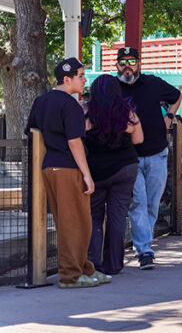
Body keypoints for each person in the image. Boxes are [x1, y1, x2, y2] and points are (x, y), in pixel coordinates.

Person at [25, 57, 110, 288]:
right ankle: (71, 275)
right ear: (67, 79)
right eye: (81, 76)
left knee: (73, 221)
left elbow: (32, 132)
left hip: (49, 166)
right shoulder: (70, 105)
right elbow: (75, 142)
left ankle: (84, 269)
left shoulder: (40, 101)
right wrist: (87, 175)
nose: (85, 80)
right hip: (68, 167)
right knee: (76, 222)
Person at [116, 46, 182, 270]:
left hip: (157, 153)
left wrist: (170, 117)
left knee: (152, 204)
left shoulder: (153, 83)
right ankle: (144, 250)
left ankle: (144, 243)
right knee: (139, 203)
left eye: (132, 61)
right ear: (117, 65)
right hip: (129, 156)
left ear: (138, 64)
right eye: (123, 62)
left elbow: (176, 95)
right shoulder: (113, 88)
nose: (127, 66)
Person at [85, 74, 143, 276]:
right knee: (117, 216)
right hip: (125, 168)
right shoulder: (128, 112)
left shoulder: (86, 111)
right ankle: (114, 264)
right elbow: (138, 139)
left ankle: (94, 262)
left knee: (94, 216)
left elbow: (77, 138)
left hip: (97, 172)